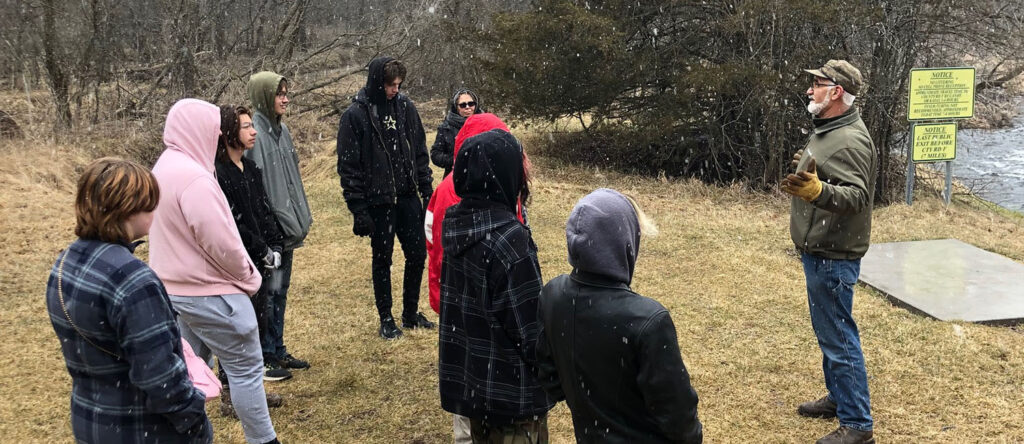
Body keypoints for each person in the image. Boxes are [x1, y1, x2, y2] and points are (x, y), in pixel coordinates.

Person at [46, 157, 212, 444]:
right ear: (128, 210)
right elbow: (160, 378)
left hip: (92, 421)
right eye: (149, 204)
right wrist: (194, 416)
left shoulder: (64, 264)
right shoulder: (134, 281)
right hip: (141, 429)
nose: (154, 211)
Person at [149, 98, 280, 444]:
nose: (217, 138)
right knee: (246, 370)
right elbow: (222, 243)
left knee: (190, 372)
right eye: (215, 131)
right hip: (209, 292)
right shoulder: (195, 179)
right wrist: (251, 278)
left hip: (175, 292)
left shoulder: (163, 168)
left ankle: (185, 435)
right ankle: (264, 440)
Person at [535, 188, 703, 444]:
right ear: (625, 243)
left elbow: (550, 378)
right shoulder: (648, 321)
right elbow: (681, 423)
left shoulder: (553, 295)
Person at [781, 59, 877, 444]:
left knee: (839, 338)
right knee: (830, 334)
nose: (810, 90)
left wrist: (819, 191)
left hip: (833, 256)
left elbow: (858, 197)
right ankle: (839, 398)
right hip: (820, 250)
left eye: (818, 84)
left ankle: (857, 425)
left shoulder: (851, 139)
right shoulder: (830, 129)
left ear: (836, 92)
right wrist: (808, 170)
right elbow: (831, 173)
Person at [438, 129, 553, 442]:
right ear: (506, 174)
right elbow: (533, 335)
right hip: (512, 401)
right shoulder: (511, 242)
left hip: (475, 388)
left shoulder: (458, 226)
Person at [423, 113, 523, 443]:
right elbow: (437, 246)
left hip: (478, 294)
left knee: (474, 368)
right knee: (471, 370)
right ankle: (467, 435)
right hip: (470, 295)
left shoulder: (496, 180)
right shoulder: (456, 190)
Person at [337, 56, 435, 339]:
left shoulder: (405, 108)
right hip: (378, 201)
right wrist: (358, 208)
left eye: (398, 84)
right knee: (383, 259)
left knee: (417, 254)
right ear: (378, 82)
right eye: (391, 84)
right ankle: (386, 318)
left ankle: (410, 313)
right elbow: (348, 166)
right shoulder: (356, 115)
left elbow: (419, 151)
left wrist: (426, 190)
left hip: (407, 196)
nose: (395, 89)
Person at [215, 104, 289, 421]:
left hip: (261, 262)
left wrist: (276, 244)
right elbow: (233, 222)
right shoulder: (219, 175)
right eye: (246, 126)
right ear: (229, 133)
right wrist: (260, 249)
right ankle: (229, 395)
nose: (253, 130)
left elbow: (263, 211)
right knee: (236, 330)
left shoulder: (251, 168)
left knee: (259, 324)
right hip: (237, 262)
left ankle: (252, 391)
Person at [245, 71, 313, 374]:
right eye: (278, 93)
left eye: (287, 92)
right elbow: (256, 188)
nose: (285, 98)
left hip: (288, 229)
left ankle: (278, 348)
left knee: (280, 292)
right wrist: (269, 226)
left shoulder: (282, 131)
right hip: (270, 232)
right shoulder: (254, 134)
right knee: (268, 293)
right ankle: (266, 355)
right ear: (264, 96)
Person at [430, 88, 482, 177]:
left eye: (471, 103)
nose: (467, 107)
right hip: (455, 178)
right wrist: (455, 160)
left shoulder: (485, 123)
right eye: (462, 105)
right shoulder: (446, 127)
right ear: (456, 107)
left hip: (482, 176)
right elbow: (435, 155)